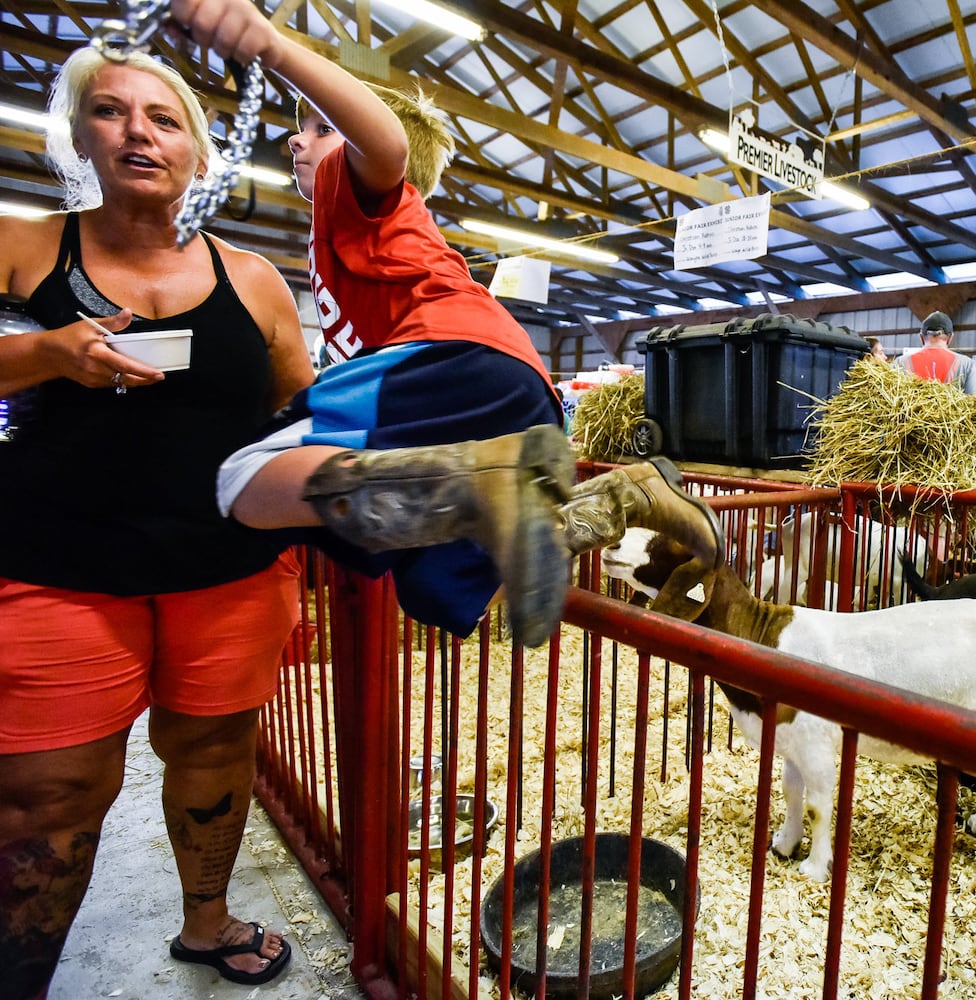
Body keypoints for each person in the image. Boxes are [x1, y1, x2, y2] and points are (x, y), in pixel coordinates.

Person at [176, 0, 722, 645]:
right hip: (513, 384)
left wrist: (274, 48)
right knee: (433, 588)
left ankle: (480, 482)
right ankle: (616, 500)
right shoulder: (371, 223)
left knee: (242, 478)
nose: (297, 139)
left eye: (321, 128)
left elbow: (383, 140)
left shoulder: (357, 194)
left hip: (452, 355)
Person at [0, 45, 317, 997]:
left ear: (200, 151)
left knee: (215, 751)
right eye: (112, 111)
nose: (139, 131)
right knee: (50, 788)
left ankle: (207, 921)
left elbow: (299, 407)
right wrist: (50, 354)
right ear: (80, 134)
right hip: (56, 563)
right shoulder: (24, 244)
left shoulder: (255, 278)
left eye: (165, 117)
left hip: (225, 568)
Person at [899, 310, 976, 394]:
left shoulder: (901, 362)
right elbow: (973, 400)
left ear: (921, 337)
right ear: (950, 337)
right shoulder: (966, 364)